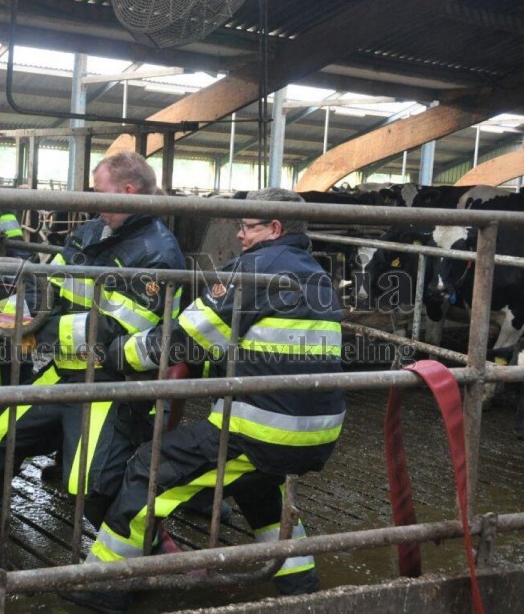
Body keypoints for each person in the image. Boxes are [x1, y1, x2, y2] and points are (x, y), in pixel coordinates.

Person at [63, 188, 345, 613]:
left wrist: (118, 354)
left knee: (148, 471)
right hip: (315, 429)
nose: (239, 237)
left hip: (262, 426)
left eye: (247, 227)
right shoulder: (316, 274)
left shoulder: (257, 269)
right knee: (258, 488)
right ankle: (302, 585)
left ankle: (104, 585)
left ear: (274, 228)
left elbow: (184, 339)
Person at [0, 151, 186, 560]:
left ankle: (149, 553)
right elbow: (43, 288)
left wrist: (37, 332)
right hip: (65, 372)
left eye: (99, 191)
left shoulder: (157, 253)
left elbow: (119, 335)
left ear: (127, 192)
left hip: (110, 383)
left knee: (94, 485)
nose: (92, 201)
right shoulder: (90, 233)